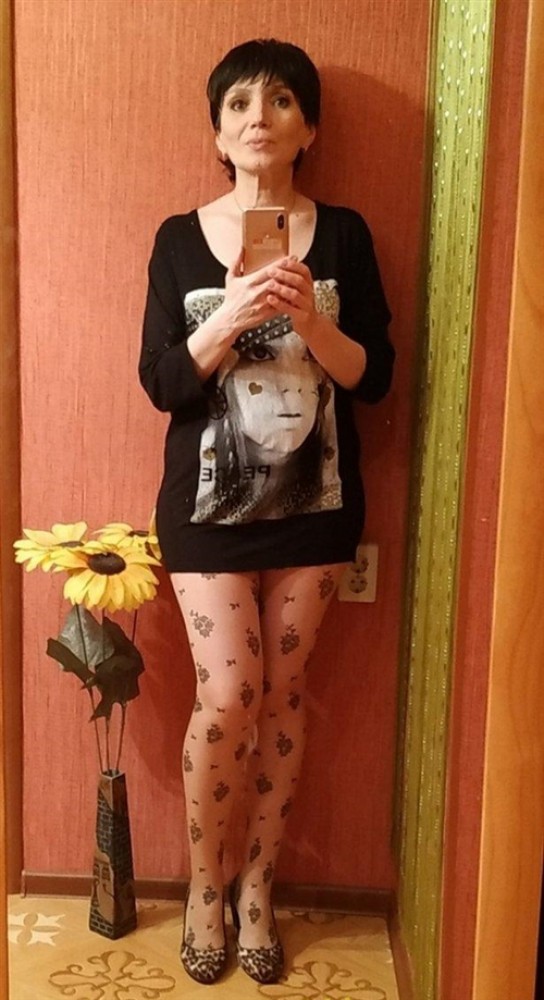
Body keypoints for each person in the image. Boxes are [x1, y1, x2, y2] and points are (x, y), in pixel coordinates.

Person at [139, 38, 394, 986]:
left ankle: (257, 890)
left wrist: (311, 319)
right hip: (204, 515)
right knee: (229, 697)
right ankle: (204, 887)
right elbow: (162, 383)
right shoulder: (177, 239)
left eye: (282, 101)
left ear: (308, 128)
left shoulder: (346, 235)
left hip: (315, 510)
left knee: (284, 698)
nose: (259, 116)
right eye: (240, 102)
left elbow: (376, 378)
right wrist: (231, 315)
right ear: (218, 132)